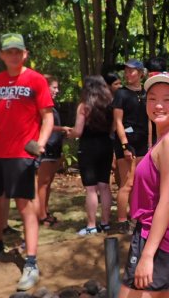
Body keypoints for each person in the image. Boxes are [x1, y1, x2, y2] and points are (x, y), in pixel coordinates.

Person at [0, 33, 54, 291]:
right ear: (2, 55)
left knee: (25, 205)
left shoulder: (36, 80)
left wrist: (42, 143)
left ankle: (31, 262)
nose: (13, 55)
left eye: (18, 51)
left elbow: (47, 117)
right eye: (8, 51)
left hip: (23, 152)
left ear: (25, 54)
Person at [120, 72, 169, 297]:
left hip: (158, 241)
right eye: (152, 98)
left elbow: (168, 201)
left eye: (167, 99)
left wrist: (148, 255)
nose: (158, 105)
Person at [65, 75, 115, 235]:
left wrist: (69, 133)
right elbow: (113, 128)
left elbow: (78, 131)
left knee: (91, 189)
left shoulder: (84, 107)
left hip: (88, 147)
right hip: (106, 145)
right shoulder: (111, 105)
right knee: (105, 186)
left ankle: (91, 225)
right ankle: (106, 223)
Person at [113, 59, 148, 232]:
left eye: (131, 71)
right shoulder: (121, 94)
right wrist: (125, 145)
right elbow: (118, 121)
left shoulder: (147, 93)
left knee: (139, 183)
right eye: (126, 71)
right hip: (126, 142)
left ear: (141, 73)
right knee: (127, 183)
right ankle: (121, 221)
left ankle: (135, 217)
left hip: (143, 142)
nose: (127, 74)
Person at [37, 75, 66, 227]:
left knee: (48, 183)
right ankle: (40, 215)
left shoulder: (51, 106)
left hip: (55, 148)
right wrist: (62, 129)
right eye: (54, 87)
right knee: (42, 183)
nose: (57, 90)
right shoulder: (39, 105)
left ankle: (45, 211)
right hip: (45, 148)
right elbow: (43, 126)